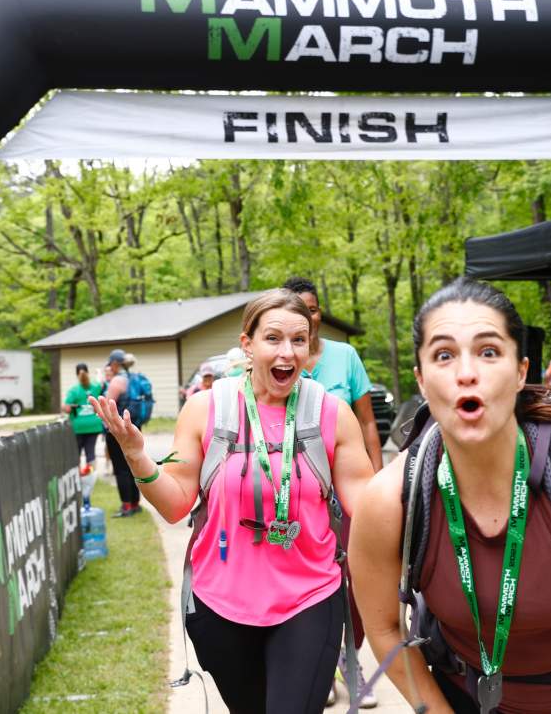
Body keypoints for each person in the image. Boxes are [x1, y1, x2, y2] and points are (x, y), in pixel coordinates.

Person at [90, 289, 374, 714]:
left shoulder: (331, 413)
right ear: (248, 344)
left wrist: (418, 475)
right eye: (273, 339)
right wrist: (136, 455)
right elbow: (175, 504)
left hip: (309, 598)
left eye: (299, 340)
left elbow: (369, 508)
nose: (288, 352)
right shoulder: (207, 409)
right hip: (219, 605)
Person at [349, 278, 551, 714]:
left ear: (522, 371)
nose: (466, 372)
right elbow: (385, 630)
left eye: (488, 352)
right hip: (459, 698)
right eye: (444, 355)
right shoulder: (389, 501)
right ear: (422, 380)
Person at [283, 275, 382, 708]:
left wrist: (379, 488)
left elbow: (367, 424)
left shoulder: (345, 356)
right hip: (295, 497)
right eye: (298, 308)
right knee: (304, 585)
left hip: (346, 493)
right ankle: (318, 670)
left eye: (314, 307)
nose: (309, 315)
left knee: (356, 581)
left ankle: (352, 665)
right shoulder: (279, 361)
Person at [103, 348, 142, 518]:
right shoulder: (135, 378)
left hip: (118, 430)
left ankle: (126, 506)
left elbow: (106, 406)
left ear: (115, 364)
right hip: (135, 428)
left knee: (120, 468)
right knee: (133, 466)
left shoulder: (117, 380)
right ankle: (135, 503)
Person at [62, 362, 103, 466]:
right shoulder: (95, 386)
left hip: (78, 426)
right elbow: (101, 383)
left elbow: (67, 409)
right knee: (91, 452)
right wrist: (98, 372)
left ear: (77, 374)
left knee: (77, 452)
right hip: (94, 425)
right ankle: (91, 476)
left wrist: (64, 406)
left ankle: (78, 476)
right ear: (88, 372)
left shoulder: (74, 390)